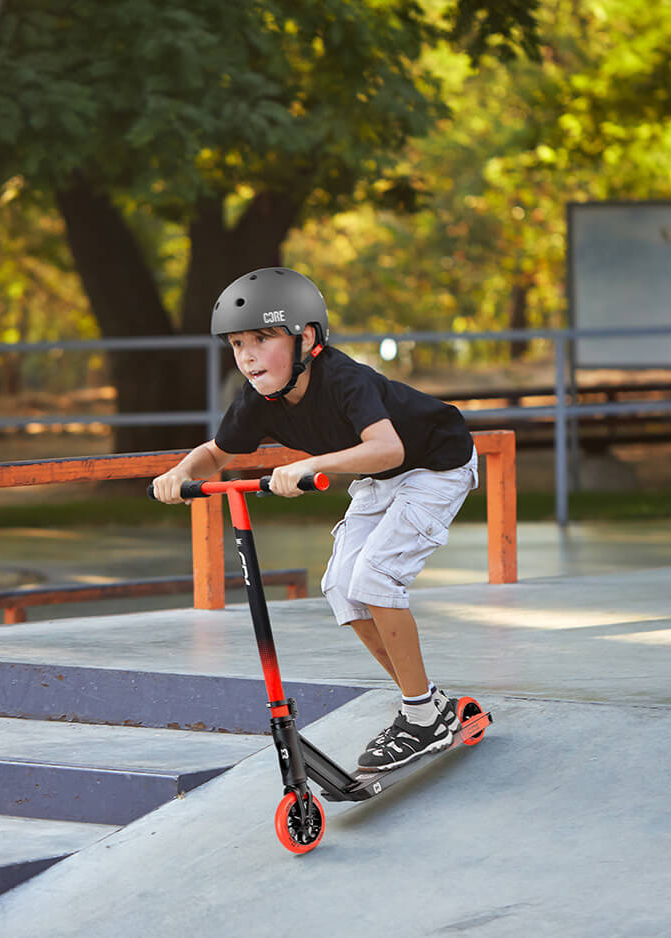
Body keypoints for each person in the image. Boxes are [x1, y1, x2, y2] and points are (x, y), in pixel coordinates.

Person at [151, 267, 478, 771]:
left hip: (435, 464)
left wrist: (312, 464)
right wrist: (180, 473)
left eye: (262, 338)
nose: (248, 355)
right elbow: (215, 453)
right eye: (237, 344)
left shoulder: (345, 379)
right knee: (343, 587)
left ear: (306, 338)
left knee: (376, 577)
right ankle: (428, 706)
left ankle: (419, 716)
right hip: (381, 475)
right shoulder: (259, 401)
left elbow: (386, 447)